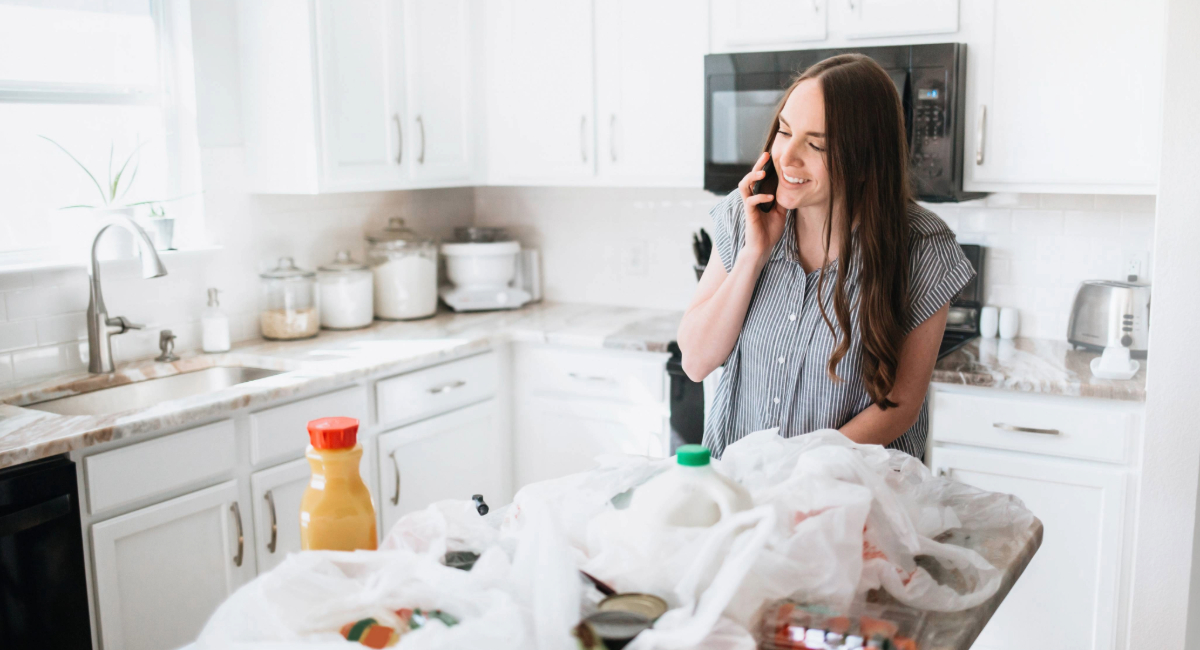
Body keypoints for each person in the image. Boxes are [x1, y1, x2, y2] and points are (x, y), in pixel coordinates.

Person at [677, 54, 974, 459]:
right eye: (784, 131)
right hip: (744, 492)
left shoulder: (922, 250)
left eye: (816, 144)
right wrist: (753, 255)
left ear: (866, 160)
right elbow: (695, 361)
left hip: (851, 501)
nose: (787, 157)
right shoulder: (744, 212)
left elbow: (899, 408)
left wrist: (797, 471)